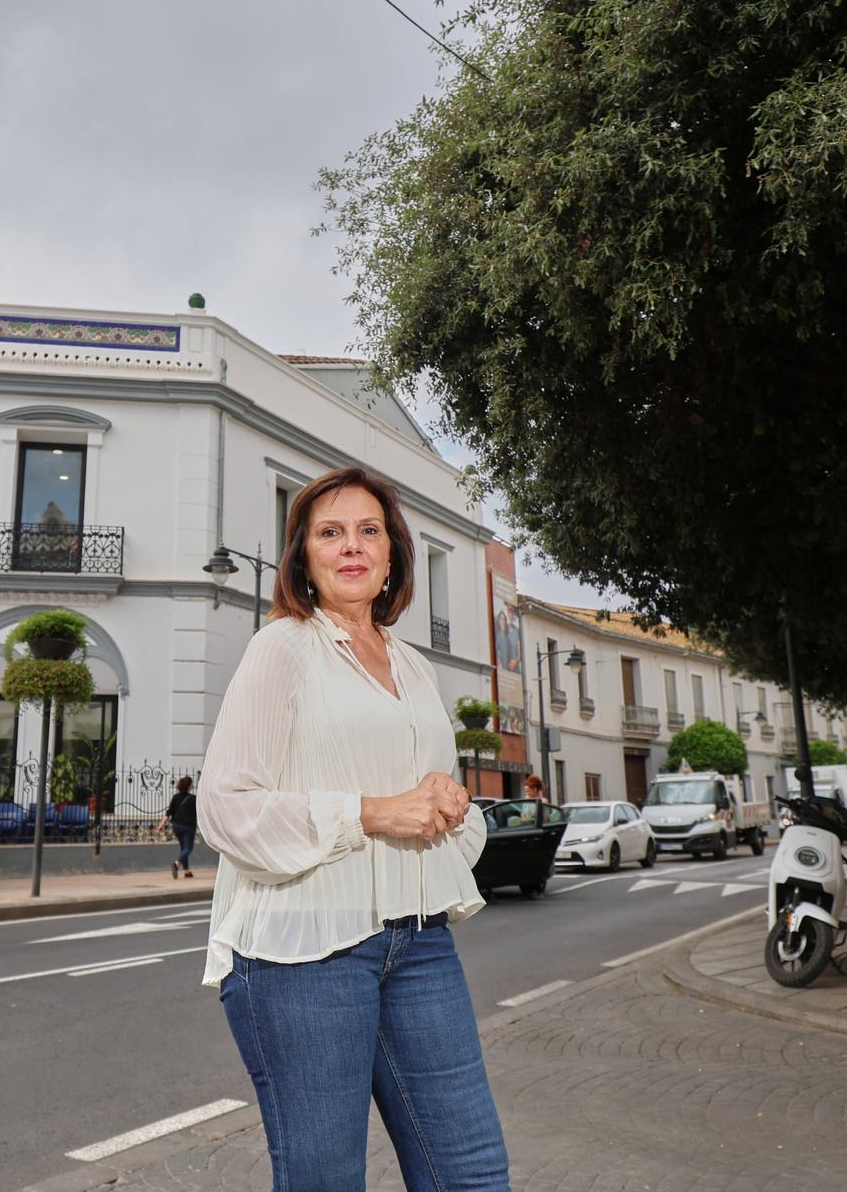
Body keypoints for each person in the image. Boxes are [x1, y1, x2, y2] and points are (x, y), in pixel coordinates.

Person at [197, 466, 508, 1188]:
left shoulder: (415, 666)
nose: (351, 546)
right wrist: (370, 810)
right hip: (303, 950)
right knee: (326, 1178)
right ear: (302, 554)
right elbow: (225, 806)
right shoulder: (283, 647)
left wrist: (448, 805)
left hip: (421, 940)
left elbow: (424, 806)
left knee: (472, 1171)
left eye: (369, 530)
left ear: (393, 552)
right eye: (329, 532)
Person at [157, 776, 198, 879]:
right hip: (188, 827)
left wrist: (161, 825)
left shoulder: (175, 797)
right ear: (188, 786)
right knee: (188, 848)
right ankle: (176, 864)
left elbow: (168, 813)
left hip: (176, 826)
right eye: (191, 784)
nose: (192, 786)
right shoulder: (193, 799)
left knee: (184, 848)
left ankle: (187, 872)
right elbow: (199, 813)